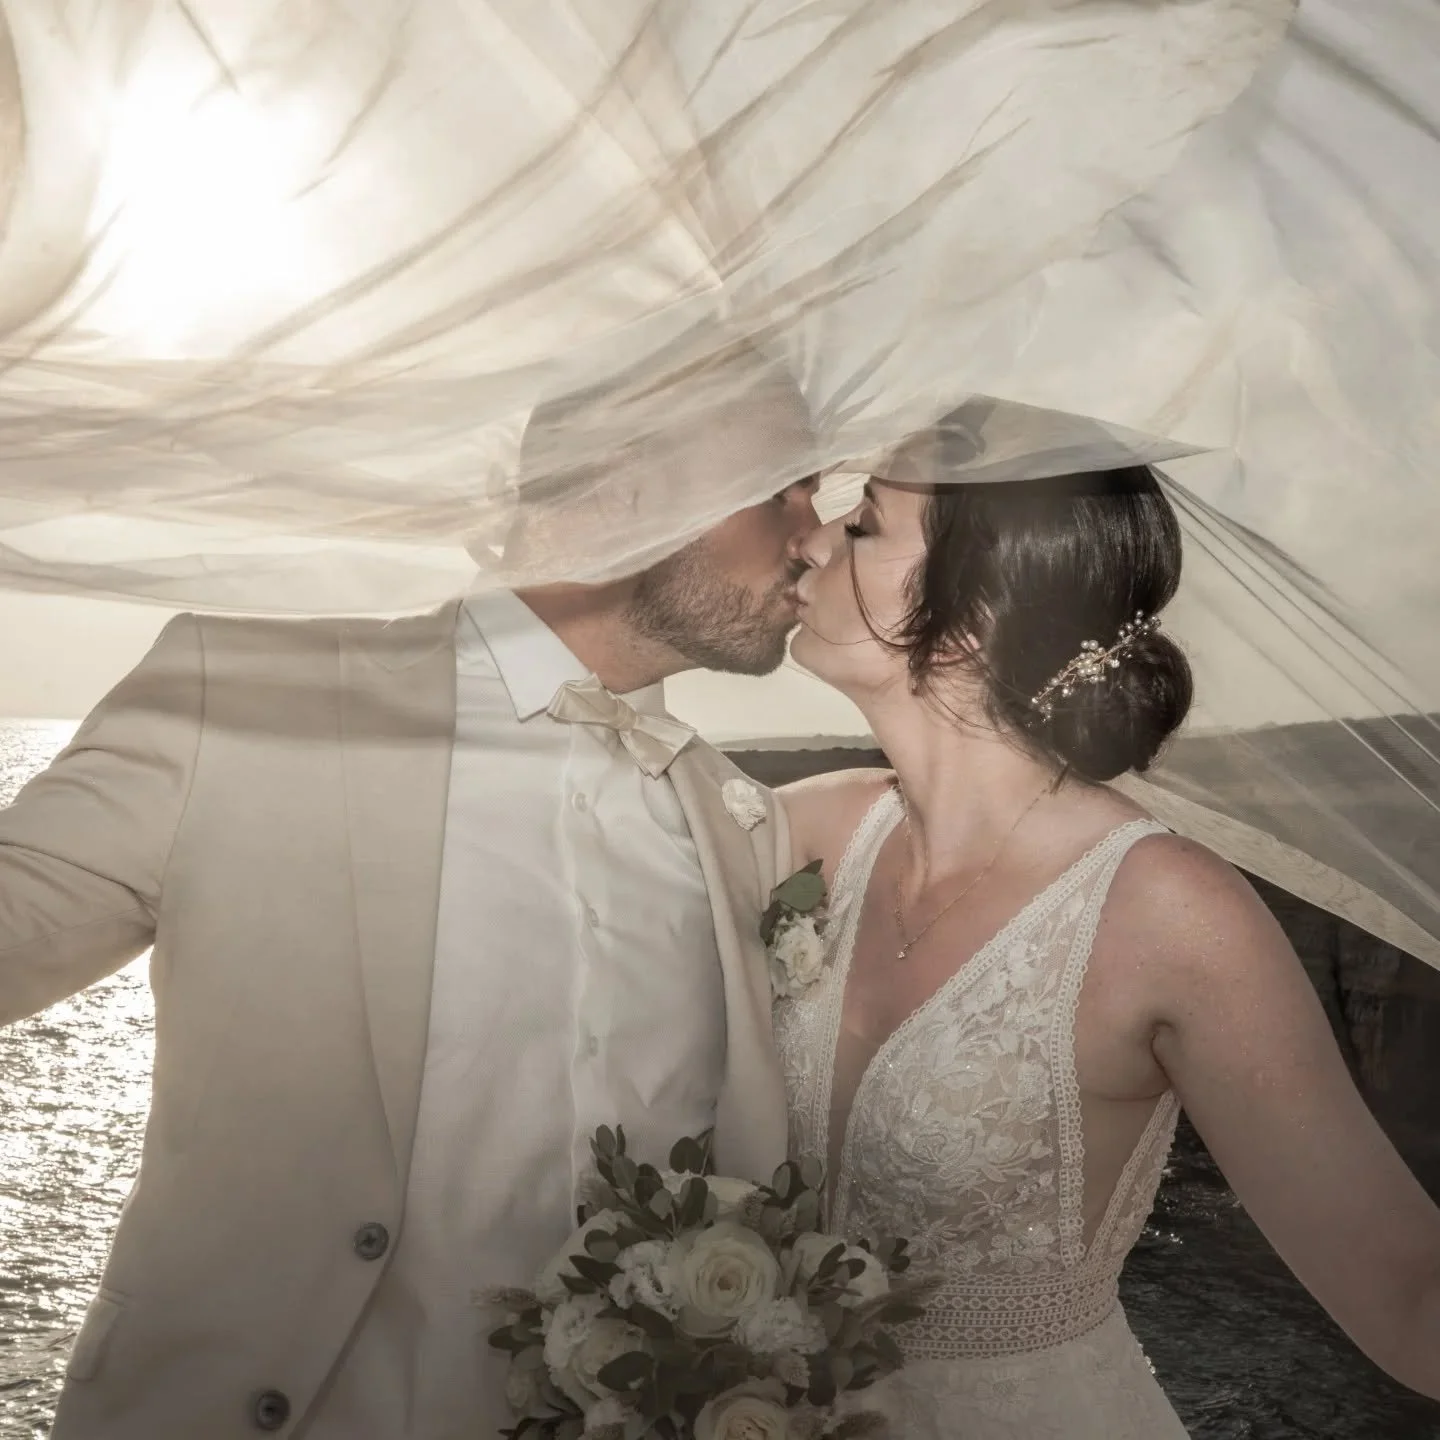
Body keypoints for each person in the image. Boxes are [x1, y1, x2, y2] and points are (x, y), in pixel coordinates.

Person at [0, 354, 818, 1440]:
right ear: (624, 495)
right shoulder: (248, 691)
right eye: (784, 488)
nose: (815, 533)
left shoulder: (743, 825)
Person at [776, 461, 1440, 1437]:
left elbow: (1412, 1297)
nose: (814, 542)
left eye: (865, 525)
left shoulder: (1165, 911)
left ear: (970, 620)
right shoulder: (806, 834)